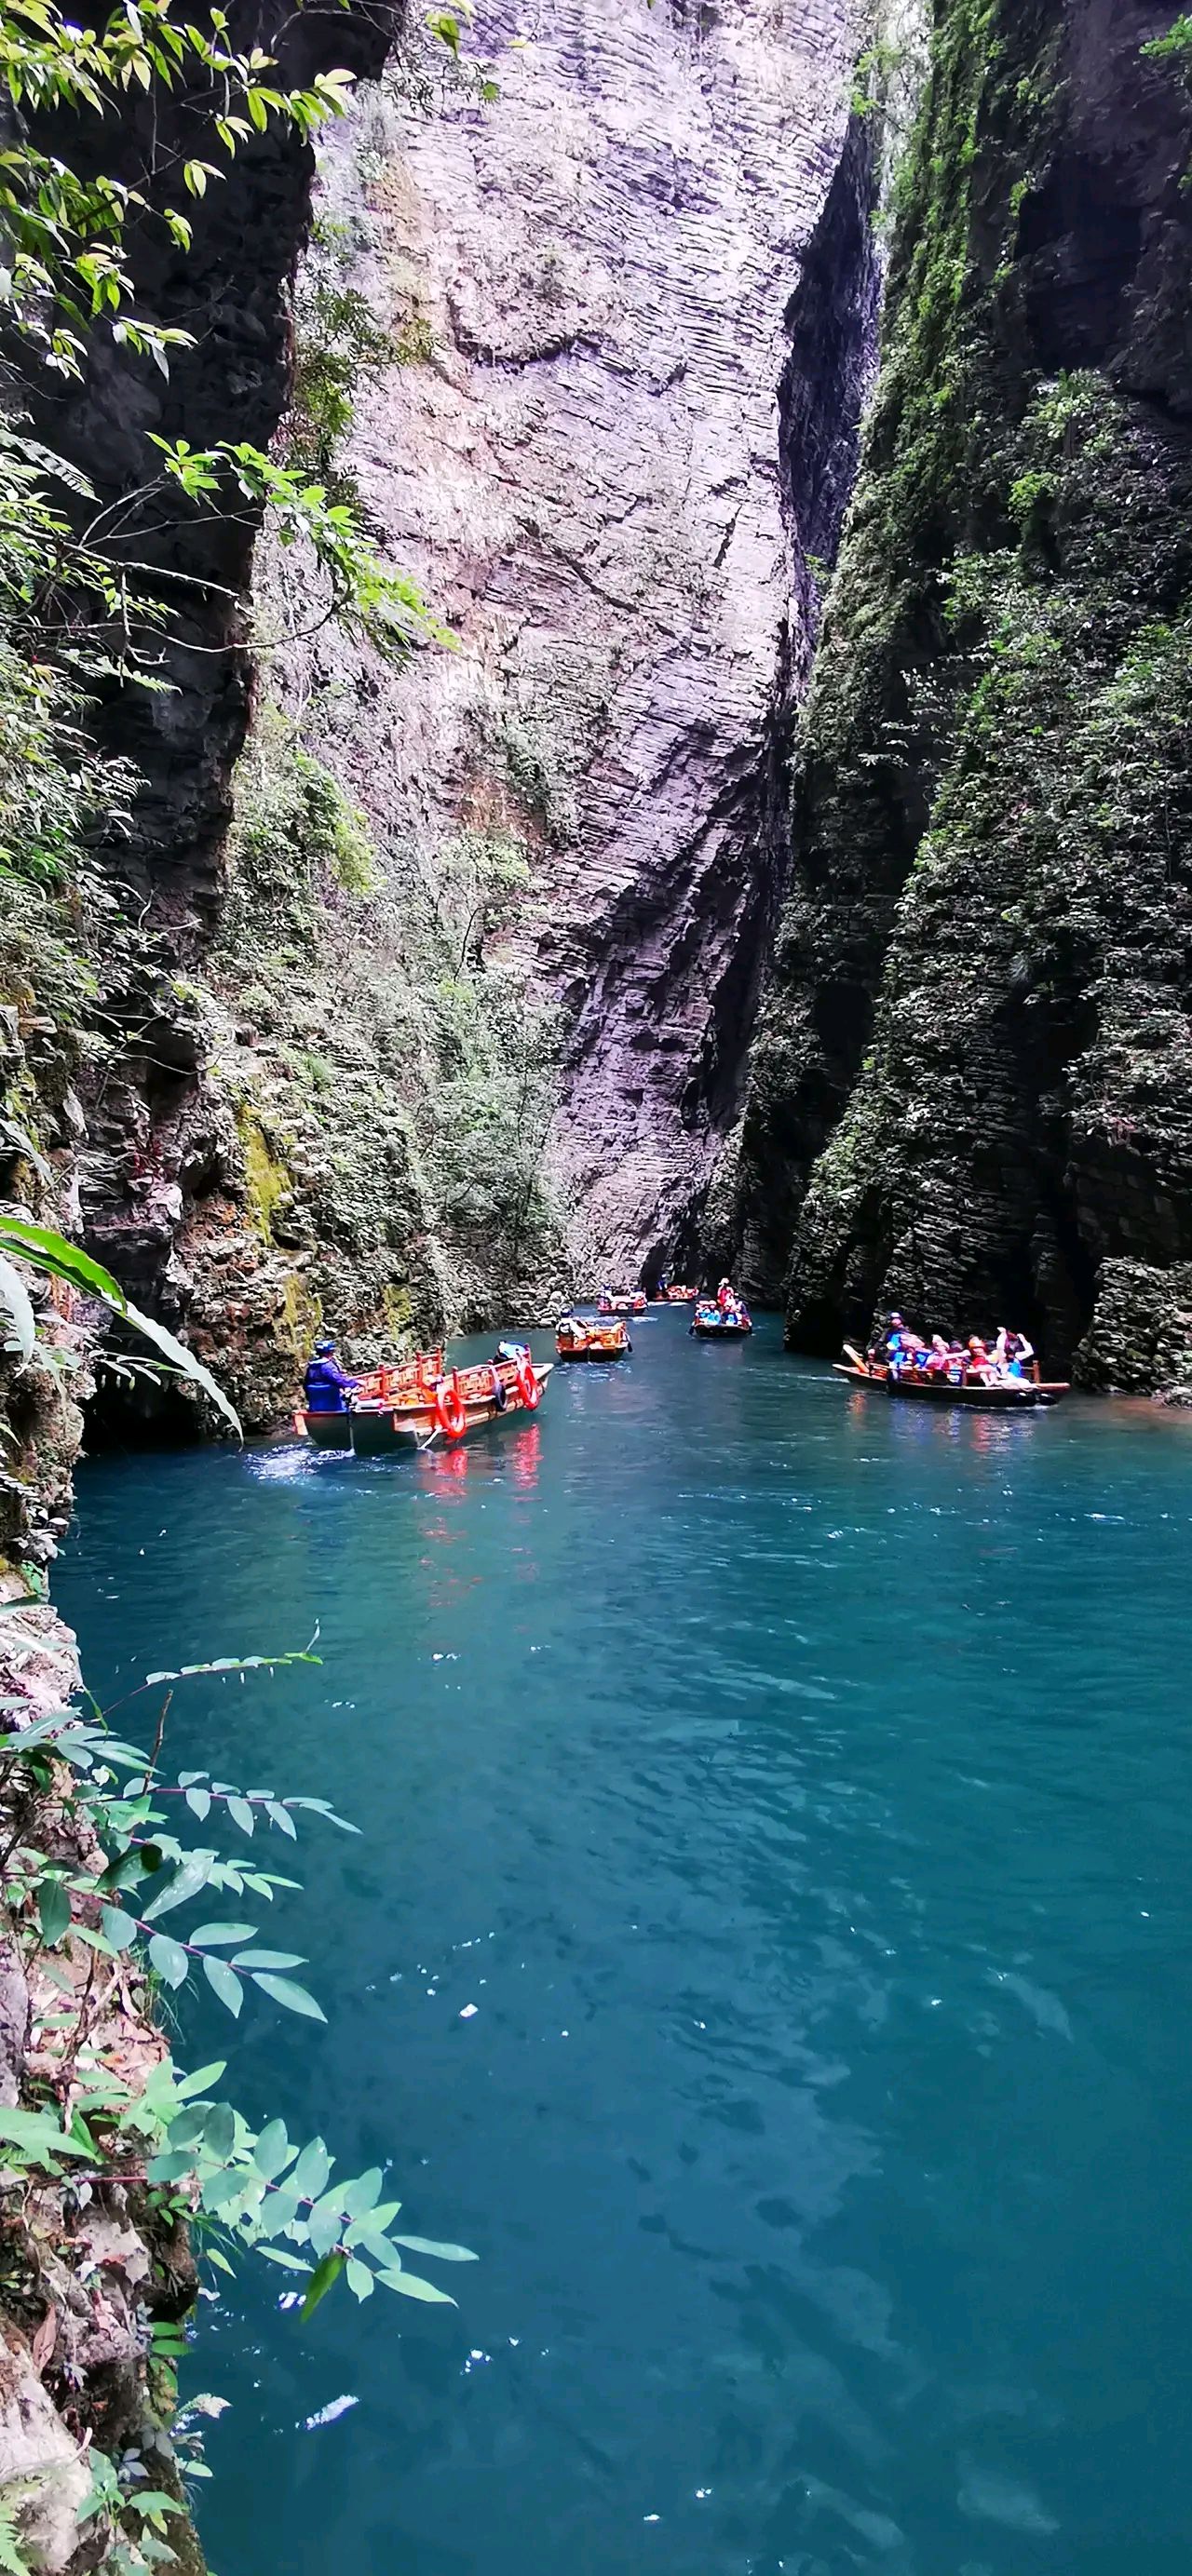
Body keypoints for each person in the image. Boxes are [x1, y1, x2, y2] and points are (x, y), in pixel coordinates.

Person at [304, 1333, 359, 1413]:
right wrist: (354, 1383)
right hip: (332, 1405)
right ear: (331, 1352)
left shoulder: (311, 1367)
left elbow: (306, 1383)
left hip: (315, 1405)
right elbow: (338, 1380)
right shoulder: (328, 1366)